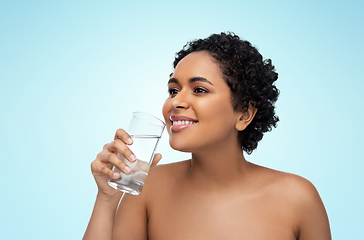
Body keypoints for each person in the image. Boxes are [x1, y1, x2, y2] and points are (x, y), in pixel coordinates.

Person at [83, 32, 331, 240]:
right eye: (173, 90)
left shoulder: (298, 199)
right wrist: (107, 198)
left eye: (199, 89)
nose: (177, 101)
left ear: (244, 114)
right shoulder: (147, 189)